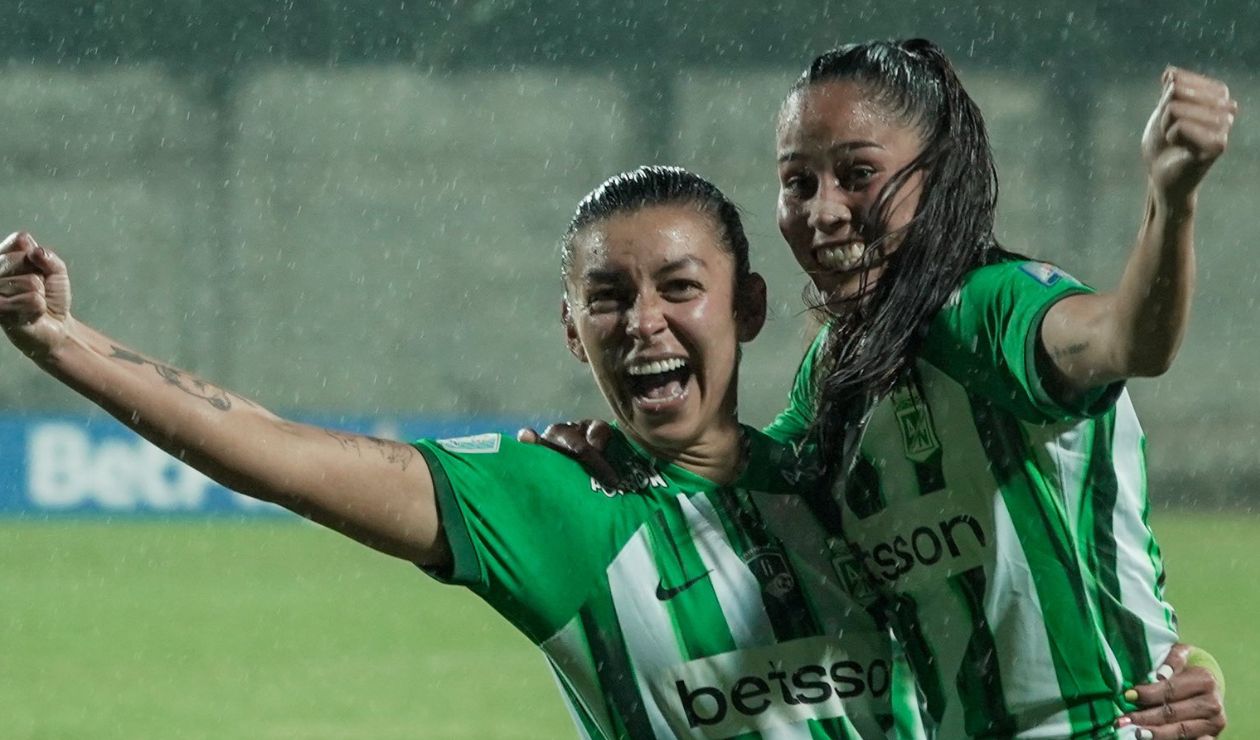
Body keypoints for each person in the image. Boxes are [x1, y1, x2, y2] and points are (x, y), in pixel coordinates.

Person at [3, 167, 918, 739]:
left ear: (748, 307)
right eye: (607, 297)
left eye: (680, 287)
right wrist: (62, 342)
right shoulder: (554, 505)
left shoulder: (846, 472)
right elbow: (278, 451)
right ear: (572, 331)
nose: (644, 323)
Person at [527, 40, 1234, 739]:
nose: (824, 211)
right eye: (798, 183)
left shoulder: (991, 310)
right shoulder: (837, 370)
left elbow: (1126, 338)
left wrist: (1171, 200)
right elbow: (748, 485)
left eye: (858, 174)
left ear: (936, 175)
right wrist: (612, 456)